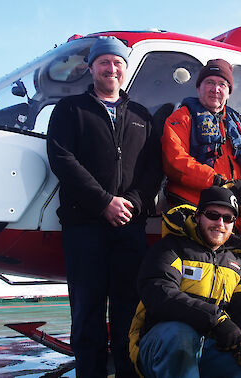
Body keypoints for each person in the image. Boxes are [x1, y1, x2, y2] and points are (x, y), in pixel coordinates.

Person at [46, 36, 162, 377]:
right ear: (92, 67)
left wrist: (135, 204)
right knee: (86, 311)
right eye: (104, 63)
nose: (111, 69)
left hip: (130, 228)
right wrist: (103, 203)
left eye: (117, 64)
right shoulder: (70, 110)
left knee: (128, 311)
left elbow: (153, 168)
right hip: (85, 227)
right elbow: (62, 158)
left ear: (125, 70)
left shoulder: (142, 115)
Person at [129, 186, 241, 378]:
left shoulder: (236, 264)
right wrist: (216, 320)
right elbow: (160, 294)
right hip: (160, 343)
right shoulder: (170, 248)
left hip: (209, 346)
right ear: (198, 216)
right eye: (213, 215)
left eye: (228, 218)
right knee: (180, 335)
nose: (220, 223)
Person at [162, 58, 241, 228]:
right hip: (196, 216)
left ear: (229, 92)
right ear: (199, 87)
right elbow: (175, 161)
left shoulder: (240, 124)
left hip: (236, 219)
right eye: (209, 82)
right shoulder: (181, 118)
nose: (215, 89)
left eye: (222, 84)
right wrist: (217, 182)